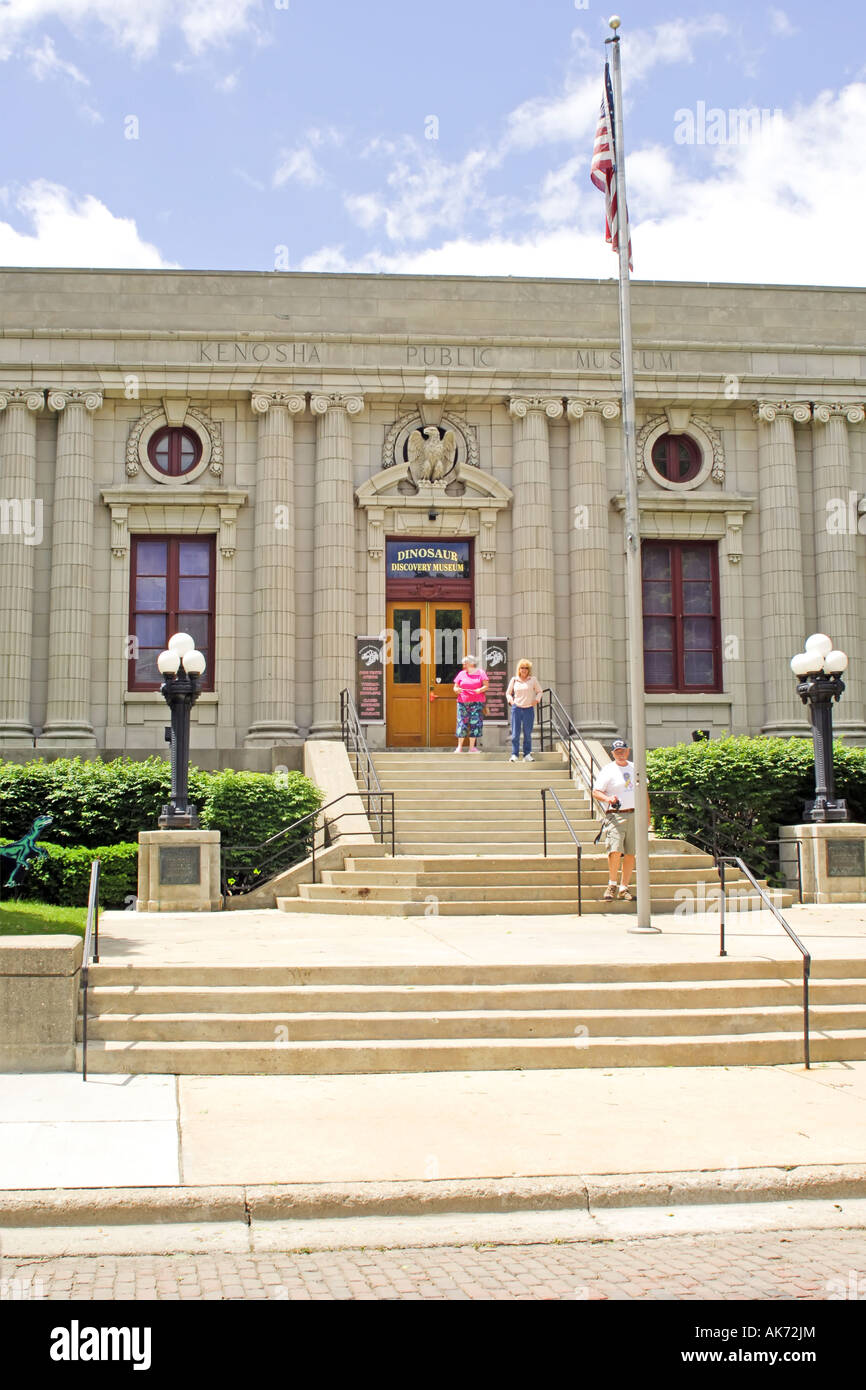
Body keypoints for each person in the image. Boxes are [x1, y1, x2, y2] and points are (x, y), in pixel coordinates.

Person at [592, 738, 643, 902]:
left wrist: (647, 815)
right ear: (612, 754)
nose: (620, 754)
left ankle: (624, 887)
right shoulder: (608, 770)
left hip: (634, 813)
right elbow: (596, 792)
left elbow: (643, 790)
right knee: (615, 850)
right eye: (617, 752)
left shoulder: (635, 767)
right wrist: (608, 799)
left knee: (630, 852)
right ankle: (612, 884)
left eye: (623, 751)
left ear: (628, 751)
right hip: (616, 814)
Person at [506, 658, 542, 762]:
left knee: (527, 733)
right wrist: (511, 701)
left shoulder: (533, 680)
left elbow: (540, 691)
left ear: (529, 669)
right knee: (515, 733)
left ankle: (527, 754)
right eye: (522, 668)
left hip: (528, 709)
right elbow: (508, 693)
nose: (524, 670)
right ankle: (514, 754)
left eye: (526, 668)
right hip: (516, 709)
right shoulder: (514, 680)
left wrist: (536, 700)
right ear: (519, 669)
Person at [452, 653, 489, 752]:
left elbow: (486, 686)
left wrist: (480, 690)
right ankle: (459, 747)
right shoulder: (461, 674)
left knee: (475, 724)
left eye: (465, 663)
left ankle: (472, 748)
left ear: (471, 664)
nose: (463, 666)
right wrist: (456, 689)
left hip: (477, 702)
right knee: (461, 723)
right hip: (462, 702)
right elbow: (455, 686)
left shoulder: (481, 673)